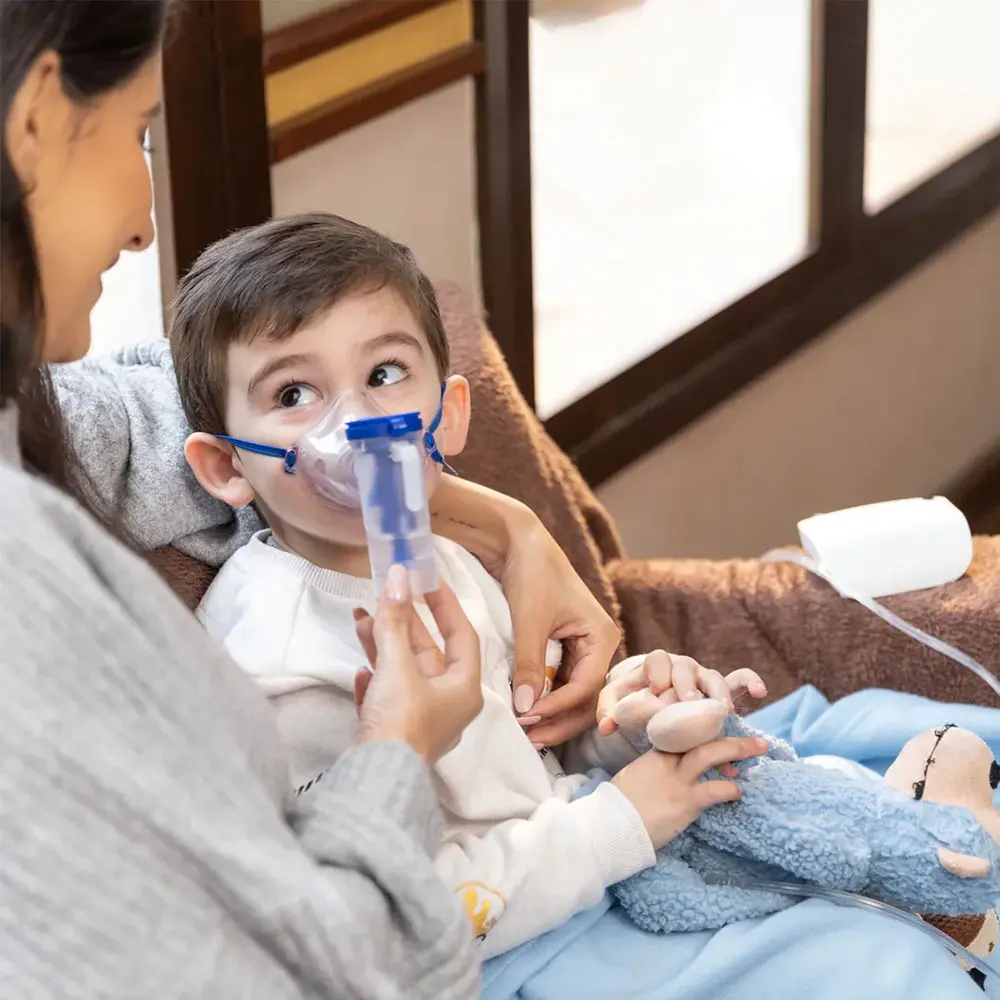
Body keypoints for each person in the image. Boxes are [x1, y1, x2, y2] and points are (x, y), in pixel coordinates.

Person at [0, 1, 626, 995]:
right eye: (138, 134)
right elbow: (311, 963)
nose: (143, 221)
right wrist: (400, 748)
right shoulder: (68, 608)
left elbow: (218, 405)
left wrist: (511, 527)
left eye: (386, 377)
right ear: (35, 117)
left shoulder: (52, 423)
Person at [162, 211, 768, 957]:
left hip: (583, 873)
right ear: (226, 467)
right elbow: (386, 917)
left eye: (383, 375)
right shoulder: (275, 664)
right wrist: (620, 825)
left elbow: (527, 754)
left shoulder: (450, 559)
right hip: (502, 958)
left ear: (445, 418)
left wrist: (631, 724)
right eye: (294, 394)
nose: (359, 425)